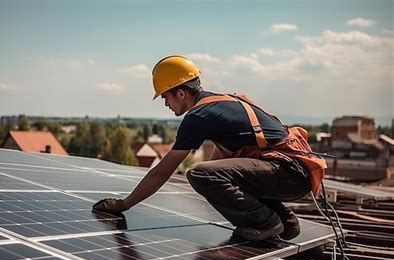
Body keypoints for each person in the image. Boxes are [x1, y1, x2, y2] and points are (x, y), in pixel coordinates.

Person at [93, 55, 326, 241]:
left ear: (181, 93)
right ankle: (286, 223)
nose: (165, 103)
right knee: (213, 173)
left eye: (166, 96)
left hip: (286, 173)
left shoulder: (199, 116)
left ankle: (264, 223)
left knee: (199, 173)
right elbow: (225, 167)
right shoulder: (222, 103)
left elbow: (162, 171)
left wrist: (125, 204)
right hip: (292, 173)